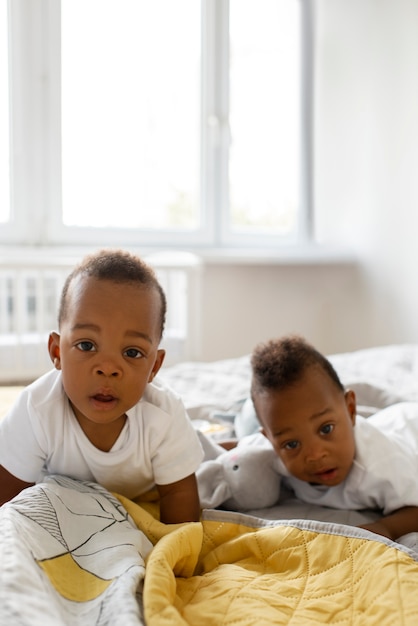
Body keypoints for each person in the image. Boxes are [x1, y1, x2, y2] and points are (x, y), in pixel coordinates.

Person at [0, 249, 203, 524]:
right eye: (86, 345)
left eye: (132, 353)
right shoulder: (36, 409)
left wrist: (177, 559)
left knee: (216, 465)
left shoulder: (163, 416)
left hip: (148, 486)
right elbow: (6, 499)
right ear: (57, 352)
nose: (107, 368)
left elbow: (179, 496)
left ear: (154, 367)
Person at [243, 334, 418, 541]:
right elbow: (235, 452)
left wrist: (385, 527)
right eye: (292, 444)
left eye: (326, 429)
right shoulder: (270, 456)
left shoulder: (383, 465)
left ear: (351, 409)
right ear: (270, 440)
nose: (315, 455)